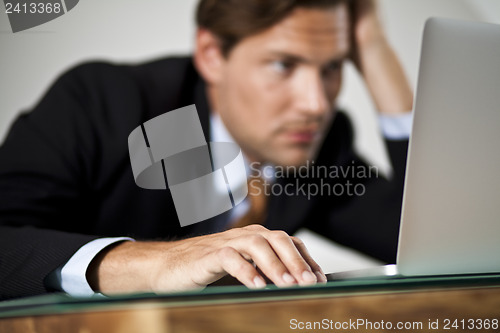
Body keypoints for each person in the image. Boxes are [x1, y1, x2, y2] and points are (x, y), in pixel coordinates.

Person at [0, 0, 412, 300]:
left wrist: (374, 49)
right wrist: (156, 263)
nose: (317, 104)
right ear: (212, 56)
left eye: (332, 67)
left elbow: (428, 239)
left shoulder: (320, 144)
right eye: (284, 65)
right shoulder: (104, 103)